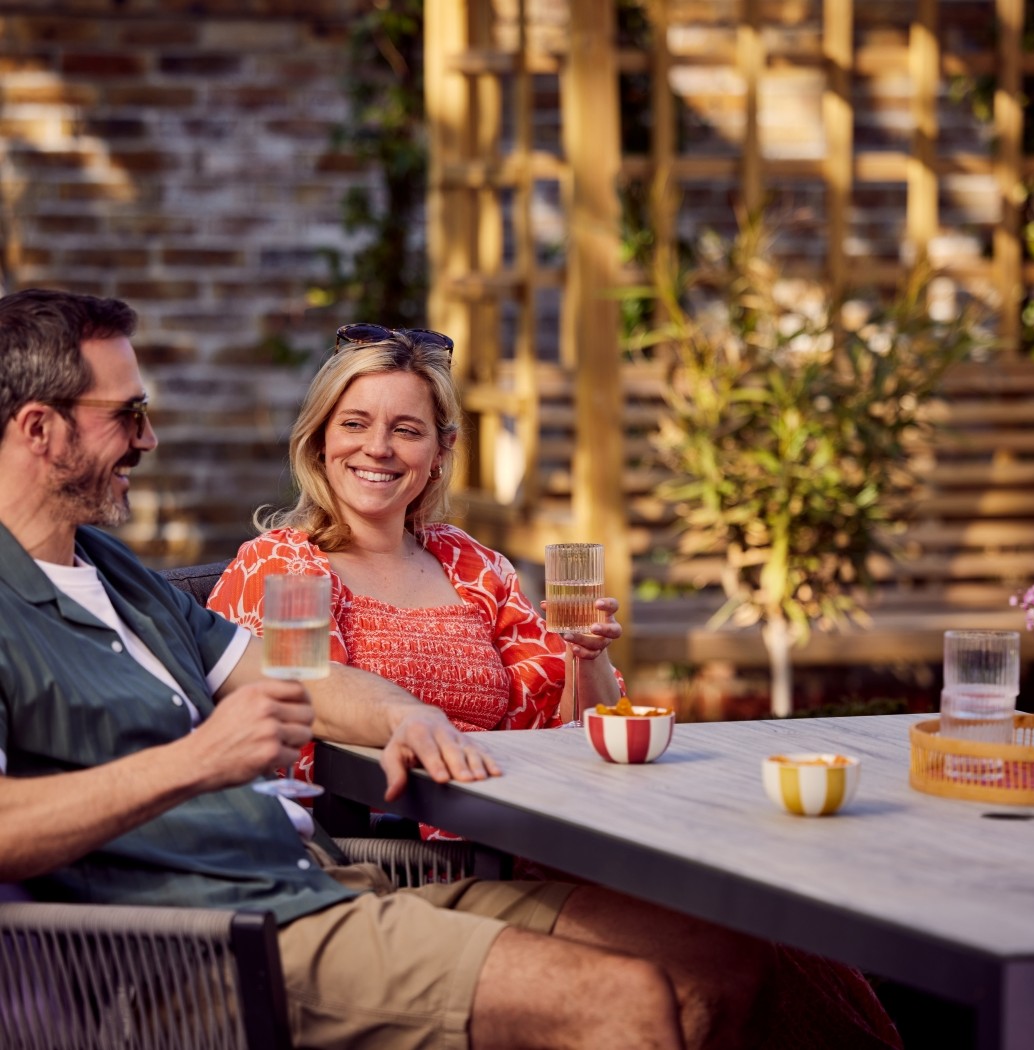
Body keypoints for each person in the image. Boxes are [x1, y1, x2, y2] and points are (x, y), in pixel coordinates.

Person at [0, 288, 903, 1050]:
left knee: (721, 952)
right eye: (128, 414)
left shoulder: (115, 572)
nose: (149, 438)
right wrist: (201, 759)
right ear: (40, 430)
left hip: (315, 881)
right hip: (202, 944)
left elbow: (303, 678)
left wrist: (403, 714)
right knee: (618, 1002)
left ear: (439, 450)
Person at [207, 323, 626, 822]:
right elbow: (297, 723)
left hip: (505, 823)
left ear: (439, 454)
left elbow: (574, 729)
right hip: (377, 851)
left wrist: (587, 658)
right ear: (321, 440)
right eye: (354, 424)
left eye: (406, 430)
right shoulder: (285, 566)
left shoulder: (474, 567)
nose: (378, 448)